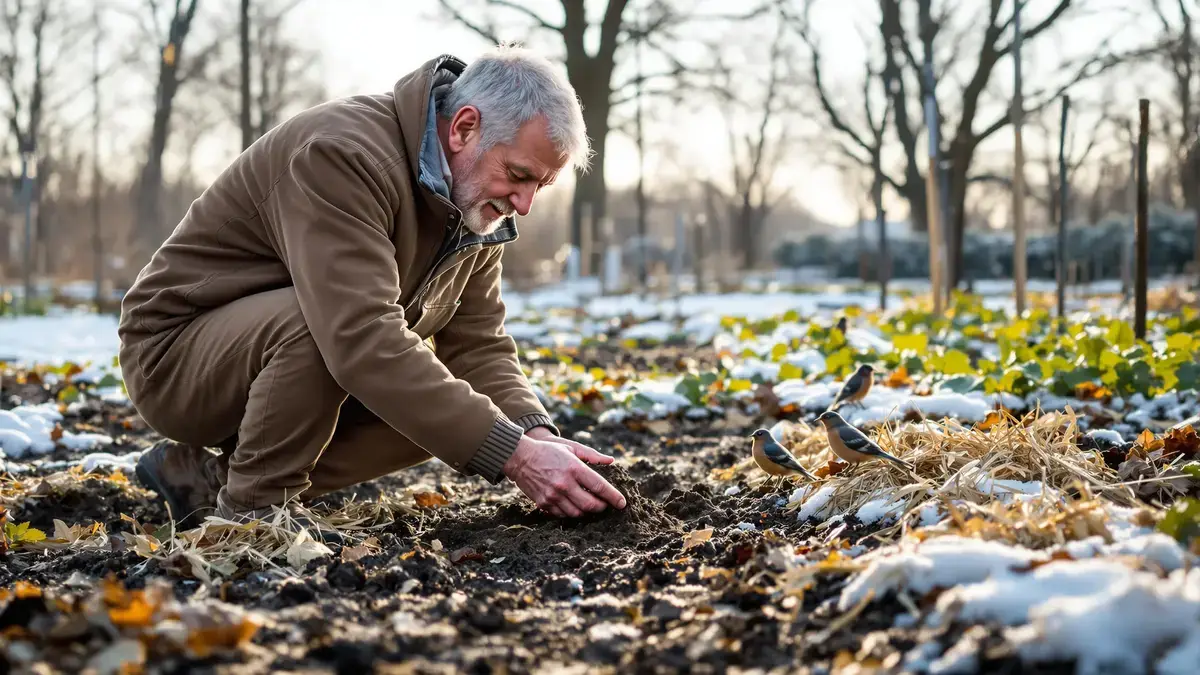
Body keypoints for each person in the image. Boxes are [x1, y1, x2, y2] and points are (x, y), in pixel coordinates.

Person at [117, 46, 627, 532]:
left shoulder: (474, 206)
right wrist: (515, 459)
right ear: (464, 127)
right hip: (175, 358)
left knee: (453, 408)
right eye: (518, 175)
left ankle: (207, 484)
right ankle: (252, 519)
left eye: (541, 185)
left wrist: (534, 436)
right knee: (325, 328)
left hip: (282, 362)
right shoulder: (344, 155)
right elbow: (359, 335)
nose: (525, 204)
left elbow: (478, 345)